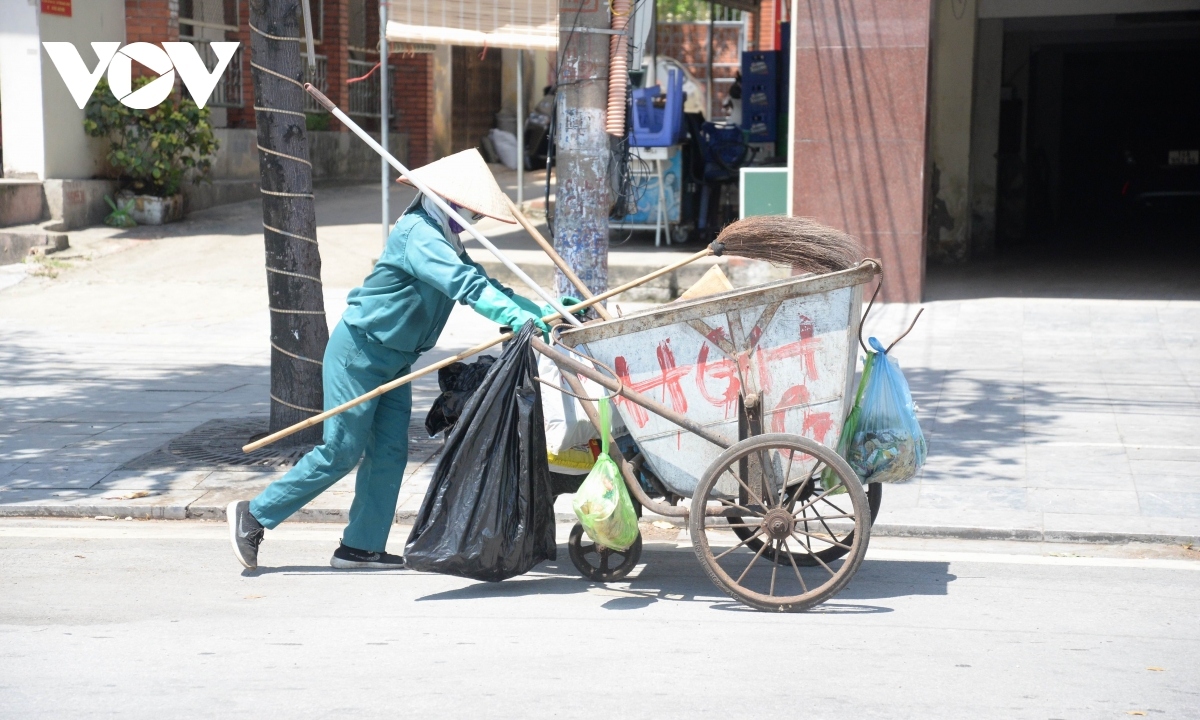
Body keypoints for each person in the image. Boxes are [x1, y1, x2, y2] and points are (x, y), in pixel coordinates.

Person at [228, 149, 560, 571]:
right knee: (341, 451)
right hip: (359, 353)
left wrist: (541, 311)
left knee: (388, 453)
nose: (471, 221)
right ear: (444, 200)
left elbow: (485, 282)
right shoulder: (419, 234)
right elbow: (463, 285)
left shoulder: (445, 238)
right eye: (468, 211)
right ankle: (254, 514)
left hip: (397, 360)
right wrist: (512, 316)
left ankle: (360, 546)